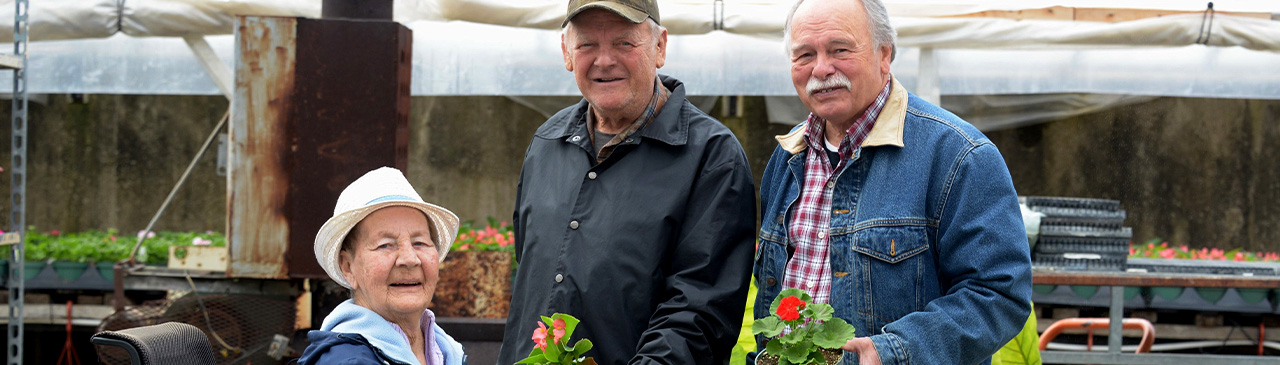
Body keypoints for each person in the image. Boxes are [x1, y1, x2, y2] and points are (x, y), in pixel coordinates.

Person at [752, 0, 1032, 364]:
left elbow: (999, 293)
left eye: (839, 50)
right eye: (804, 54)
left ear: (884, 54)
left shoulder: (959, 154)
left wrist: (897, 351)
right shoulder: (788, 158)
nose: (821, 69)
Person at [496, 0, 758, 364]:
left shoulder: (711, 156)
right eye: (587, 44)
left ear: (660, 47)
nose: (604, 60)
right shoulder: (548, 142)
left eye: (624, 43)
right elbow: (529, 282)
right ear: (566, 53)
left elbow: (700, 312)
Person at [298, 167, 466, 365]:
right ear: (348, 267)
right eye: (385, 245)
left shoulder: (447, 351)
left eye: (419, 242)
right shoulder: (346, 360)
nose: (410, 259)